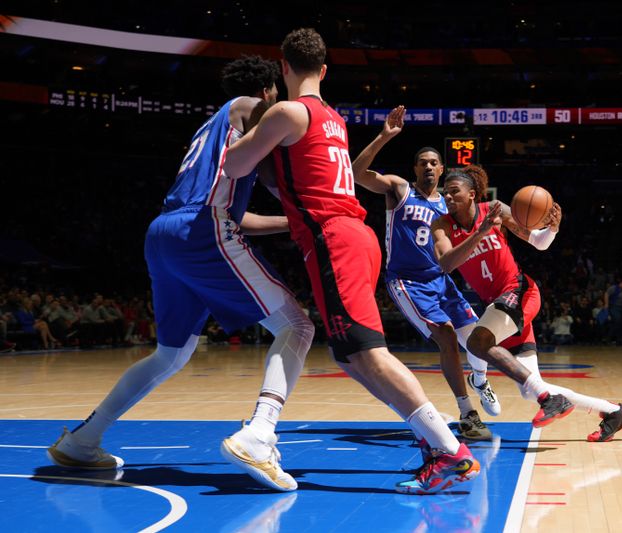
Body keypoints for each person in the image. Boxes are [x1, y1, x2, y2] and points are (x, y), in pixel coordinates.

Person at [222, 29, 479, 494]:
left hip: (334, 241)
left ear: (284, 67)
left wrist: (235, 120)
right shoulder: (333, 121)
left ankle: (450, 452)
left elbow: (236, 166)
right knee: (352, 358)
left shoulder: (287, 111)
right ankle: (434, 439)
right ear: (324, 70)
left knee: (368, 354)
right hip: (351, 237)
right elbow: (287, 182)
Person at [47, 55, 315, 492]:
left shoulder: (208, 130)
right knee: (298, 324)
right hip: (203, 231)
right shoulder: (249, 105)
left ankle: (82, 440)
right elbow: (273, 159)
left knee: (170, 355)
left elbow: (233, 213)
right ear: (269, 89)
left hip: (169, 233)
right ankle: (259, 434)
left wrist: (291, 222)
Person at [430, 165, 622, 442]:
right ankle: (613, 412)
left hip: (519, 291)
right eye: (446, 192)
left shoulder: (496, 209)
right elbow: (446, 264)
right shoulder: (441, 225)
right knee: (530, 387)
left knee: (478, 342)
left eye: (454, 192)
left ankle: (504, 387)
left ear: (473, 195)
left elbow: (539, 242)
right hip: (499, 306)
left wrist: (552, 228)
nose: (448, 197)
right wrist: (480, 233)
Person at [350, 105, 500, 441]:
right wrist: (383, 136)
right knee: (447, 339)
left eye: (434, 162)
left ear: (442, 168)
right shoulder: (399, 190)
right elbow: (356, 173)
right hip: (408, 282)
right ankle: (467, 414)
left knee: (477, 338)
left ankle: (480, 377)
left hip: (441, 281)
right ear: (415, 168)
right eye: (423, 162)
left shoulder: (448, 206)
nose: (429, 166)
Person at [604, 275, 622, 345]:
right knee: (617, 321)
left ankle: (618, 340)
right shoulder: (614, 288)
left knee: (620, 324)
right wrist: (606, 304)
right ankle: (610, 339)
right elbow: (606, 294)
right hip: (614, 307)